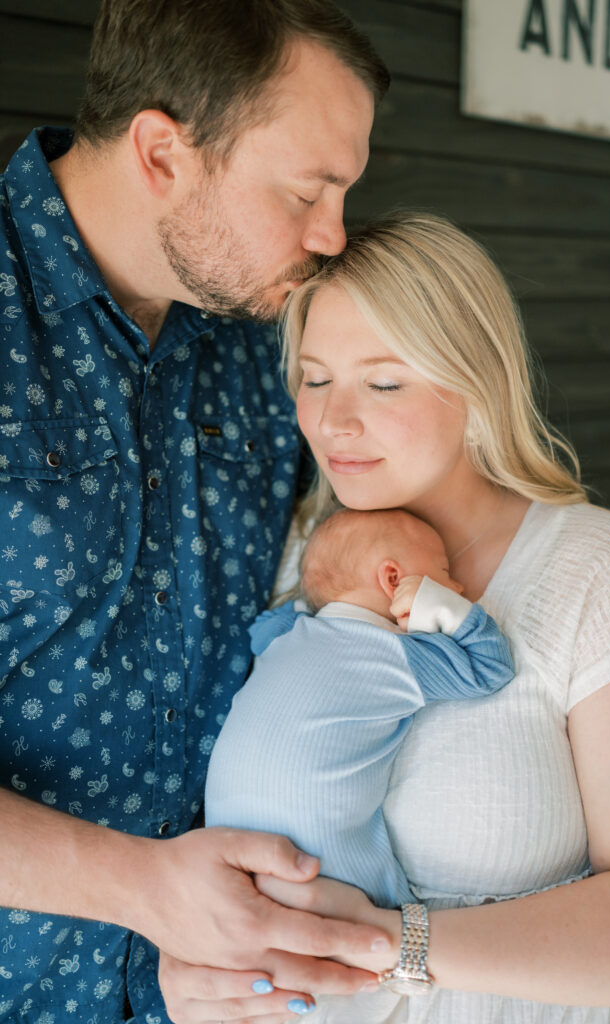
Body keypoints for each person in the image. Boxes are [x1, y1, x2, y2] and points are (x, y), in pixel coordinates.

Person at [0, 1, 391, 1021]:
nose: (332, 235)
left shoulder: (266, 335)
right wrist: (142, 888)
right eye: (308, 190)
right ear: (164, 152)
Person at [243, 210, 610, 1023]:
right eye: (313, 377)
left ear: (476, 386)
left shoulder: (595, 568)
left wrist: (394, 942)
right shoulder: (300, 550)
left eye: (383, 381)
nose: (333, 422)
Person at [205, 506, 514, 910]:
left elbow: (260, 629)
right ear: (393, 580)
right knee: (388, 922)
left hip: (232, 848)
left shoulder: (285, 636)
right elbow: (491, 669)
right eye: (442, 573)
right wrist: (449, 612)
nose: (456, 584)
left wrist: (312, 597)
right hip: (324, 863)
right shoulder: (395, 655)